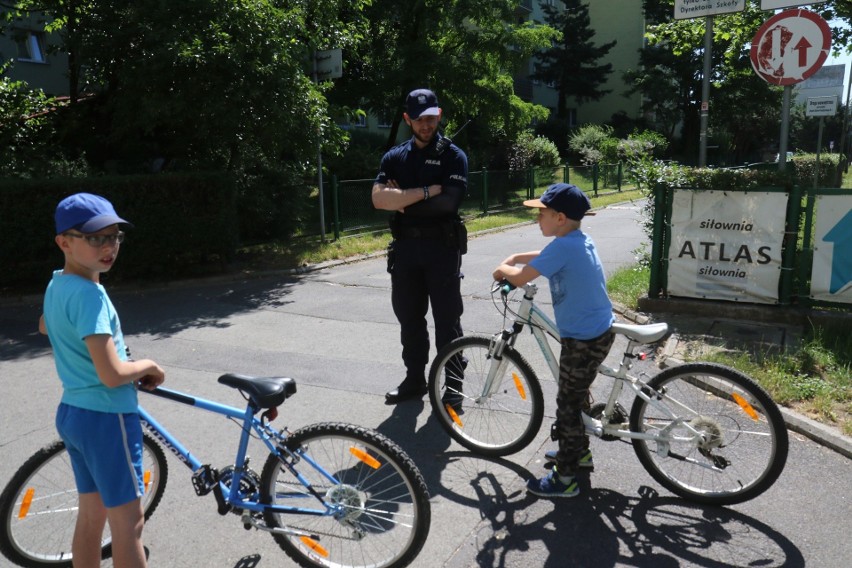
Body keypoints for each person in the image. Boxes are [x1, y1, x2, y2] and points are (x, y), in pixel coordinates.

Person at [39, 192, 165, 567]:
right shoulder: (91, 296)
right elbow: (111, 375)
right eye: (95, 238)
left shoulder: (57, 285)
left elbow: (46, 325)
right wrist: (147, 366)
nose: (109, 246)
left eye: (114, 237)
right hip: (108, 417)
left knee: (92, 518)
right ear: (65, 242)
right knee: (129, 525)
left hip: (74, 415)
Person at [492, 183, 614, 498]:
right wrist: (517, 254)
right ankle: (578, 453)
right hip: (596, 331)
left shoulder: (563, 247)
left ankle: (566, 478)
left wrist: (503, 268)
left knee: (568, 406)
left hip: (583, 339)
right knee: (576, 393)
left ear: (559, 218)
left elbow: (518, 278)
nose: (537, 220)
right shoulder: (576, 240)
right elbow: (542, 257)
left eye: (541, 214)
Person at [372, 88, 468, 405]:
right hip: (405, 253)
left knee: (447, 320)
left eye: (431, 118)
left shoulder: (453, 156)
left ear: (438, 115)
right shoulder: (394, 157)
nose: (426, 125)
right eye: (419, 119)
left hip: (442, 249)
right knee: (410, 319)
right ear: (407, 120)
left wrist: (401, 200)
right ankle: (415, 380)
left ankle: (453, 384)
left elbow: (447, 204)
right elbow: (377, 199)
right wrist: (425, 192)